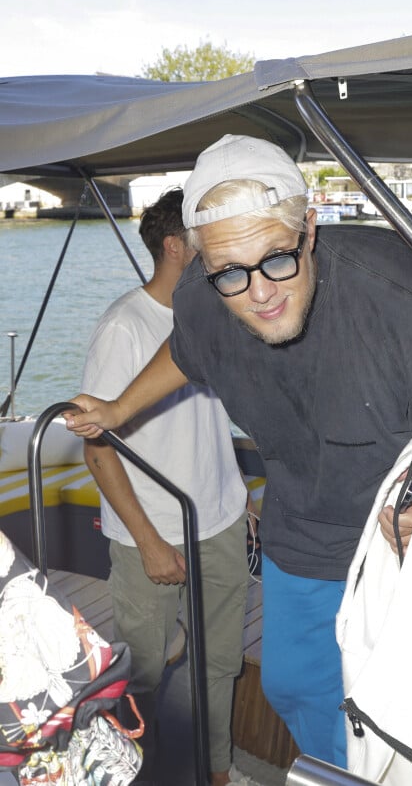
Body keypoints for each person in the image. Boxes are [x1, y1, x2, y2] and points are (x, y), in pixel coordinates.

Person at [66, 134, 412, 769]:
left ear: (309, 229)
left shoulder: (405, 296)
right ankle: (341, 773)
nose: (259, 291)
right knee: (290, 684)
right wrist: (119, 410)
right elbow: (185, 350)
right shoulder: (207, 298)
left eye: (277, 259)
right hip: (304, 524)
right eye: (231, 271)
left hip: (408, 535)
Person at [80, 189, 254, 786]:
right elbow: (97, 449)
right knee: (144, 670)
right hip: (149, 531)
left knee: (220, 663)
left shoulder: (208, 318)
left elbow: (210, 420)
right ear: (175, 246)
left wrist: (239, 496)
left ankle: (217, 771)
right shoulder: (124, 328)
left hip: (221, 519)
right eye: (204, 239)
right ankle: (132, 771)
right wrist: (150, 541)